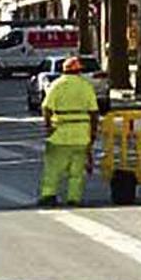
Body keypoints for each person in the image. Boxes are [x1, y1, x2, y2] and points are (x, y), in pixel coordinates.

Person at [38, 57, 99, 207]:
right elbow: (94, 112)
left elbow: (46, 107)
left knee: (53, 168)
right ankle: (74, 198)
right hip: (81, 134)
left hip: (60, 134)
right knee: (76, 171)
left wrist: (48, 126)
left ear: (63, 70)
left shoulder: (57, 85)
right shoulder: (86, 86)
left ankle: (48, 195)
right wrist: (92, 133)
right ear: (79, 71)